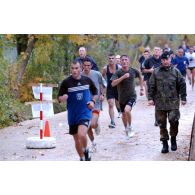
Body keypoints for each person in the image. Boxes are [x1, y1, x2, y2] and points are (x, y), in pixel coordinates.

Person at [58, 61, 98, 161]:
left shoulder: (87, 80)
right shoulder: (66, 82)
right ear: (70, 69)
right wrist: (62, 98)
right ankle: (82, 158)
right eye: (72, 68)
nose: (74, 70)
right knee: (76, 139)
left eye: (76, 68)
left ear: (81, 68)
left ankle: (86, 150)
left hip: (85, 112)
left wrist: (93, 101)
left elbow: (95, 91)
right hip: (72, 115)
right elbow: (58, 98)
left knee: (81, 134)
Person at [148, 51, 187, 153]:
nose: (166, 61)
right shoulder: (155, 72)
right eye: (164, 60)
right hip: (160, 103)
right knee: (162, 124)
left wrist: (183, 97)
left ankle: (173, 139)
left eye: (167, 59)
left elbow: (182, 84)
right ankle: (165, 143)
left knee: (174, 121)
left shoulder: (176, 71)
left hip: (173, 102)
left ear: (170, 59)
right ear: (161, 60)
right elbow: (151, 85)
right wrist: (150, 98)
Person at [111, 55, 144, 138]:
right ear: (120, 62)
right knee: (123, 115)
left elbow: (140, 76)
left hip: (132, 96)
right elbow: (113, 83)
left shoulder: (133, 71)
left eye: (126, 60)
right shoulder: (118, 72)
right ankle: (126, 128)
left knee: (127, 110)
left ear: (128, 61)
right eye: (122, 60)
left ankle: (130, 127)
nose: (124, 61)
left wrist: (141, 88)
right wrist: (123, 77)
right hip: (121, 98)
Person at [81, 58, 106, 152]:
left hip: (96, 103)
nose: (87, 67)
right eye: (85, 65)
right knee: (87, 126)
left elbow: (104, 84)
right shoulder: (80, 75)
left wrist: (103, 94)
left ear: (91, 66)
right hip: (84, 104)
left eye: (88, 65)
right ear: (82, 66)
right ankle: (93, 144)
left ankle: (96, 124)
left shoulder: (97, 74)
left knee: (92, 124)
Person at [142, 47, 161, 126]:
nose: (156, 51)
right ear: (153, 51)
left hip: (161, 83)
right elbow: (143, 70)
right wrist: (150, 70)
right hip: (152, 83)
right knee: (157, 103)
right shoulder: (148, 60)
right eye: (155, 50)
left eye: (158, 50)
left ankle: (160, 119)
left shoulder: (163, 60)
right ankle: (157, 120)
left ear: (160, 52)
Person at [102, 54, 121, 128]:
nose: (111, 60)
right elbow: (102, 78)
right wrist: (103, 88)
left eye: (113, 58)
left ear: (115, 60)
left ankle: (119, 111)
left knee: (118, 103)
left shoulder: (119, 68)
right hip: (110, 88)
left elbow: (122, 76)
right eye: (110, 58)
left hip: (118, 88)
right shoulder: (105, 68)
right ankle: (112, 121)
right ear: (108, 59)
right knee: (110, 104)